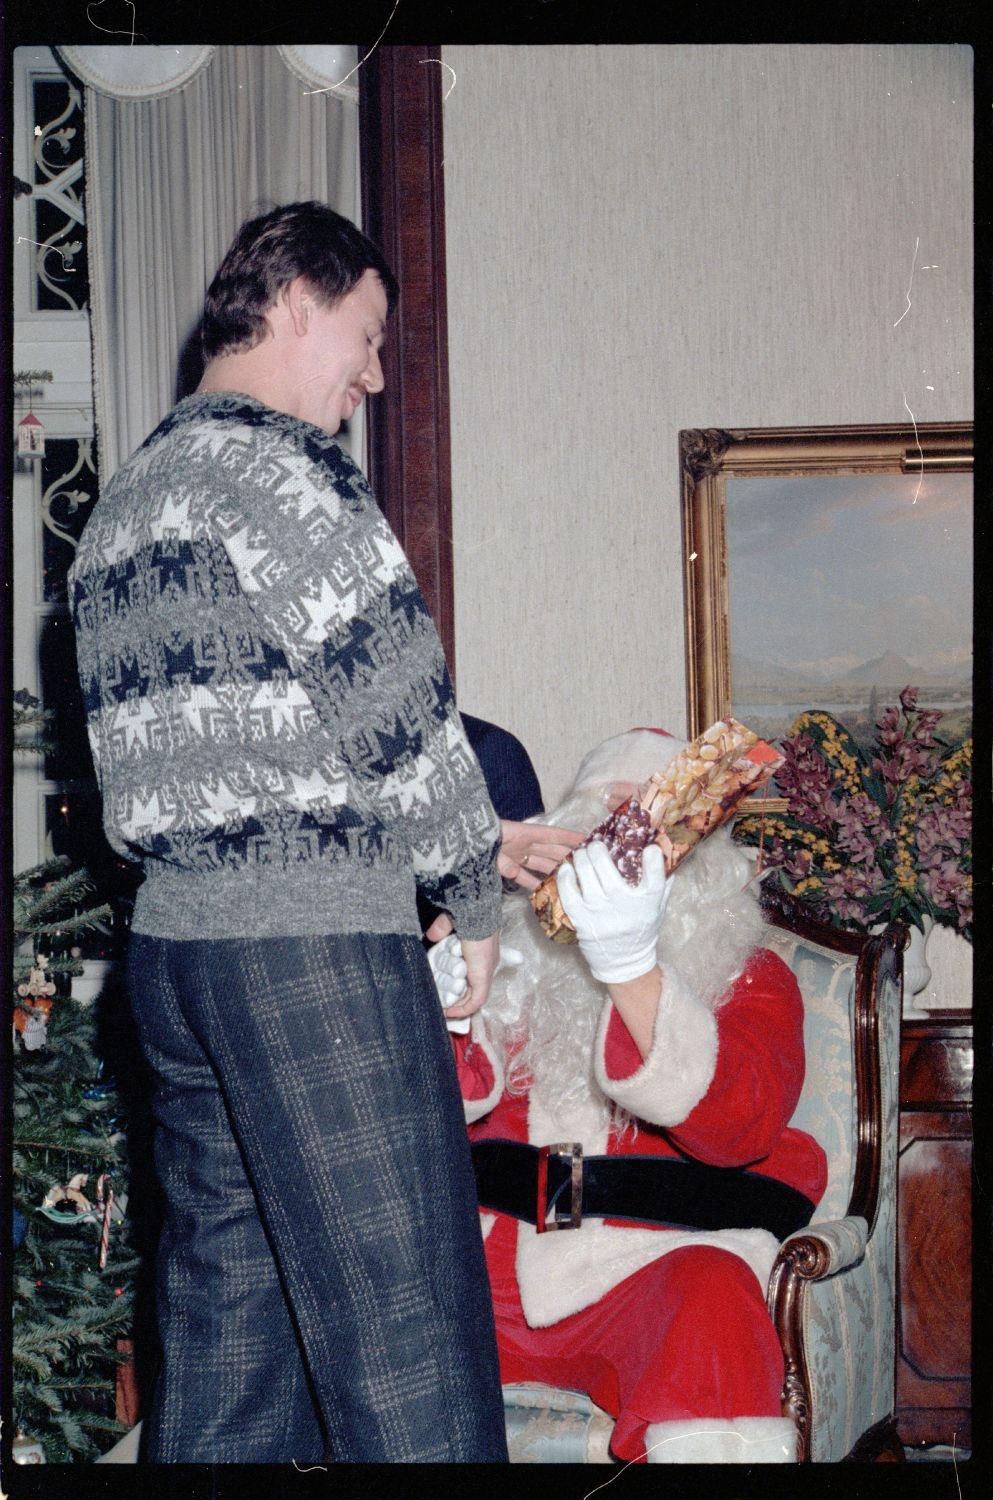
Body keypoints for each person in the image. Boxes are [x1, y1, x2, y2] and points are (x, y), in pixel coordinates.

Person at [69, 200, 531, 1464]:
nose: (376, 377)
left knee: (230, 1345)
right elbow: (399, 703)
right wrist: (474, 895)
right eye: (369, 336)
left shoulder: (121, 507)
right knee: (413, 1350)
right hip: (311, 953)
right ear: (294, 300)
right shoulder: (284, 472)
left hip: (177, 963)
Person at [429, 728, 828, 1464]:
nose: (623, 850)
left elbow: (740, 1127)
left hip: (641, 1268)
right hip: (476, 1264)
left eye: (649, 831)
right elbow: (439, 1102)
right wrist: (429, 999)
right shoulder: (509, 955)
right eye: (602, 822)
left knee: (713, 1301)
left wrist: (629, 965)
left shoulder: (749, 976)